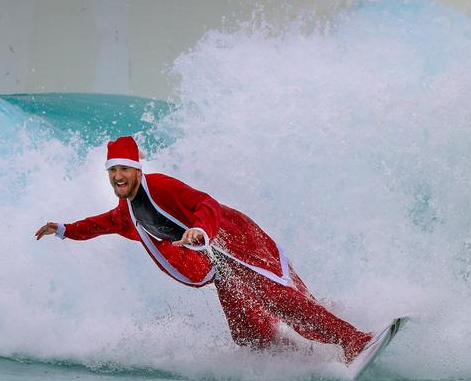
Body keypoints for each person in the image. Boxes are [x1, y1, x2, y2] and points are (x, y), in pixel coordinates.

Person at [35, 135, 372, 363]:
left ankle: (354, 339)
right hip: (218, 263)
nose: (117, 175)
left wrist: (200, 230)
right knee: (247, 333)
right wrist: (65, 229)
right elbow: (101, 223)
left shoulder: (161, 188)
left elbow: (205, 203)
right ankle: (298, 361)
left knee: (280, 299)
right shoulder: (128, 211)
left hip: (233, 240)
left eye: (124, 168)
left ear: (137, 169)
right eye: (112, 170)